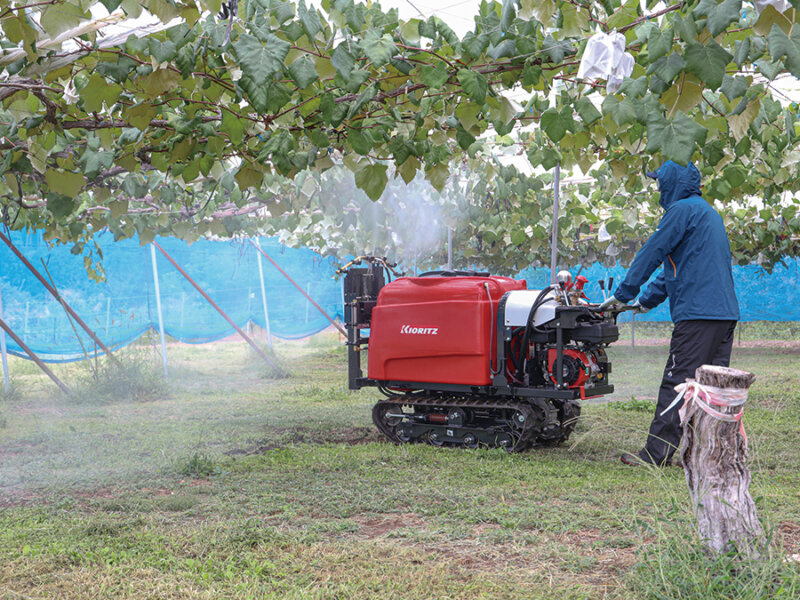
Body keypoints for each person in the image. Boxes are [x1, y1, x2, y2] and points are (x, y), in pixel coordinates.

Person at [599, 160, 740, 466]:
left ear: (671, 182)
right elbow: (681, 267)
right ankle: (706, 454)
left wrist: (624, 293)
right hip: (724, 314)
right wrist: (647, 301)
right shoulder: (706, 212)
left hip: (698, 314)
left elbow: (653, 252)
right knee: (710, 388)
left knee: (678, 382)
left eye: (659, 182)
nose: (658, 189)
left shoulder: (680, 210)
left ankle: (656, 455)